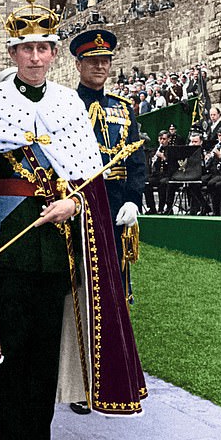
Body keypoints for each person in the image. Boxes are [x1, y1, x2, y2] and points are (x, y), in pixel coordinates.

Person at [0, 0, 146, 440]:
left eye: (45, 47)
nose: (37, 57)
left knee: (45, 353)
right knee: (11, 353)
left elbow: (89, 179)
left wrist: (75, 204)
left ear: (53, 53)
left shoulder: (68, 104)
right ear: (13, 54)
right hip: (8, 244)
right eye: (27, 49)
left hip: (55, 249)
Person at [70, 29, 146, 308]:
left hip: (115, 203)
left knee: (115, 275)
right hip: (79, 201)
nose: (100, 66)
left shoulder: (123, 109)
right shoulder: (66, 105)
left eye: (105, 60)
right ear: (79, 65)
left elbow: (137, 161)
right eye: (92, 61)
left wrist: (133, 200)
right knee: (80, 280)